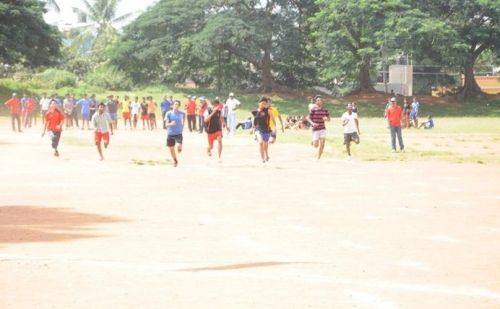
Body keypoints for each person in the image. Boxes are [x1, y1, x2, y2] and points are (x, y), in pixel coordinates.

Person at [165, 100, 185, 167]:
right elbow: (166, 125)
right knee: (171, 149)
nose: (176, 105)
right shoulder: (168, 113)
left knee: (178, 146)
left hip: (178, 133)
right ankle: (175, 160)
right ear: (172, 105)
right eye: (175, 104)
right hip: (170, 133)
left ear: (179, 106)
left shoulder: (181, 113)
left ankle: (180, 147)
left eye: (177, 104)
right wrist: (171, 124)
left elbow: (183, 122)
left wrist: (182, 127)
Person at [251, 97, 271, 163]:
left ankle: (267, 155)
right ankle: (263, 160)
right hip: (258, 129)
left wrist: (274, 127)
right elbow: (253, 120)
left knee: (265, 144)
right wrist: (252, 129)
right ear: (259, 104)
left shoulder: (267, 110)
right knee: (260, 142)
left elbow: (272, 119)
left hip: (266, 129)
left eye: (265, 103)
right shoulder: (255, 111)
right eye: (262, 103)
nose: (263, 105)